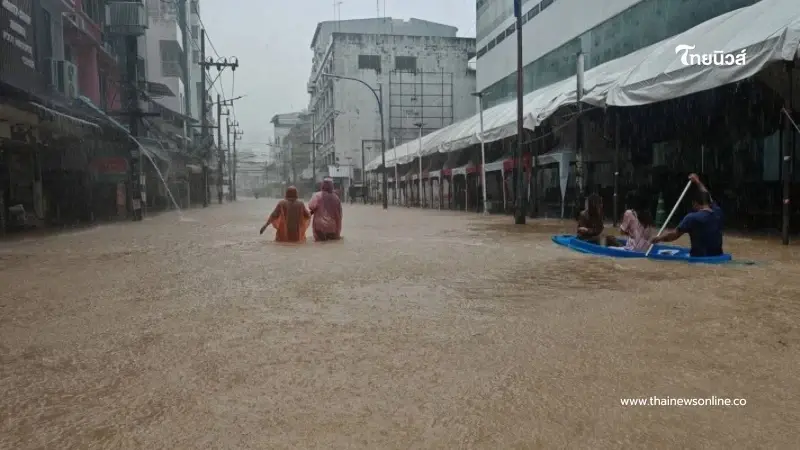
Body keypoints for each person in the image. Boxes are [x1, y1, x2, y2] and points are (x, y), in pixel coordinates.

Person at [651, 173, 723, 257]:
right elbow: (707, 196)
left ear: (694, 203)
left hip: (699, 258)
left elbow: (674, 235)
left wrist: (659, 239)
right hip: (718, 256)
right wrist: (697, 181)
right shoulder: (718, 212)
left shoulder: (692, 218)